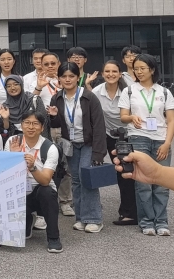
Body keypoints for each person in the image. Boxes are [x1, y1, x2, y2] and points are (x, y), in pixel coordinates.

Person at [118, 54, 174, 236]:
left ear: (152, 69)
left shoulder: (164, 92)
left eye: (142, 68)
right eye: (136, 69)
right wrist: (131, 117)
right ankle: (146, 222)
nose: (139, 72)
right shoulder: (129, 91)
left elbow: (171, 120)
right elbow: (123, 116)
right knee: (142, 183)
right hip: (138, 137)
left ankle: (162, 222)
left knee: (162, 183)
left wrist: (167, 143)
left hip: (160, 139)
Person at [48, 62, 107, 233]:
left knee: (86, 177)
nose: (68, 79)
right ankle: (81, 218)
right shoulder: (57, 98)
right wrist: (53, 117)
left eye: (71, 76)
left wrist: (99, 153)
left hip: (88, 143)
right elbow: (56, 125)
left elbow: (99, 125)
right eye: (64, 76)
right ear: (59, 78)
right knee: (76, 180)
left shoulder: (89, 97)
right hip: (70, 144)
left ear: (78, 77)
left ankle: (94, 219)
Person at [6, 110, 63, 253]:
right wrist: (14, 158)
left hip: (38, 190)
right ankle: (26, 220)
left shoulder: (50, 148)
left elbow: (45, 181)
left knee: (47, 192)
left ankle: (53, 238)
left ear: (42, 128)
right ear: (21, 125)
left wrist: (32, 167)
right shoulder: (12, 141)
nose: (31, 127)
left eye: (35, 124)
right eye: (27, 123)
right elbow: (4, 176)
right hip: (17, 190)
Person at [93, 60, 137, 225]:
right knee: (119, 172)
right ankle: (127, 211)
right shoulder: (97, 92)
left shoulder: (129, 91)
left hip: (129, 135)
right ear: (102, 74)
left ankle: (130, 213)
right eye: (107, 71)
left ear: (120, 74)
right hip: (108, 135)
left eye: (114, 71)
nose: (110, 74)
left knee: (128, 173)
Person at [33, 52, 73, 217]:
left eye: (53, 63)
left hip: (64, 127)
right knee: (46, 163)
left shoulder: (66, 79)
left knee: (66, 165)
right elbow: (30, 103)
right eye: (46, 64)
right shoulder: (34, 81)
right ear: (41, 65)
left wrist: (63, 85)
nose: (50, 66)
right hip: (44, 128)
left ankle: (65, 201)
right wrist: (39, 87)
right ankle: (47, 201)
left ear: (58, 64)